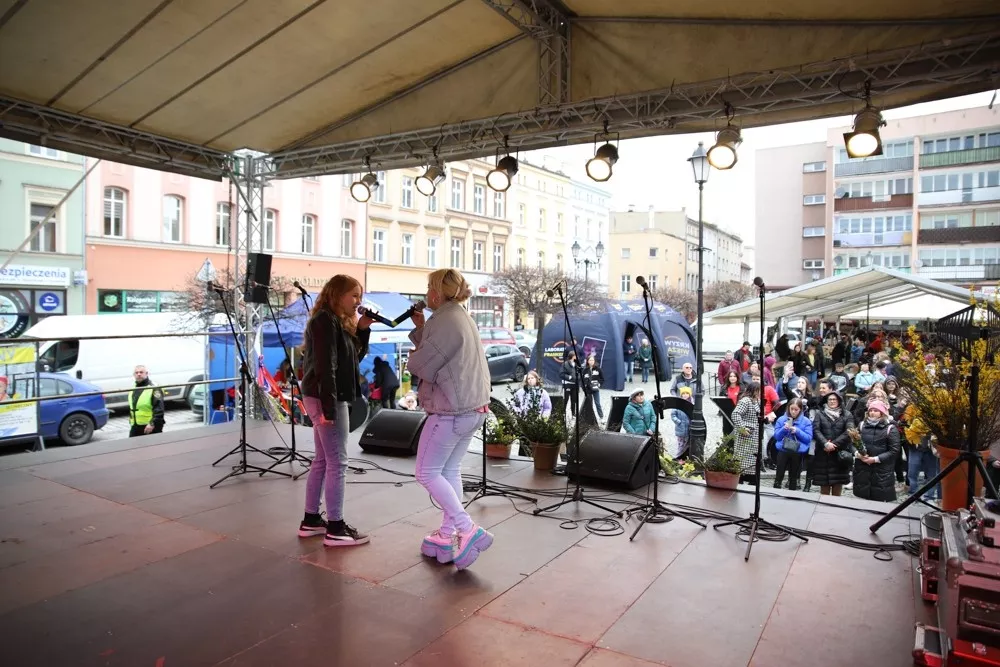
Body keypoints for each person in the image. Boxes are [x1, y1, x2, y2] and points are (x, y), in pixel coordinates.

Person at [408, 268, 493, 570]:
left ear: (436, 292)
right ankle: (446, 535)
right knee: (449, 470)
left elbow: (423, 364)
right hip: (473, 409)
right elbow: (442, 350)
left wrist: (412, 355)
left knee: (426, 472)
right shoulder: (460, 316)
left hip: (451, 410)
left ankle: (467, 529)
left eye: (428, 286)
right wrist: (421, 328)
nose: (426, 292)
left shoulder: (444, 320)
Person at [297, 275, 373, 547]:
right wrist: (329, 408)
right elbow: (325, 367)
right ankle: (336, 528)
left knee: (323, 460)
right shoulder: (325, 321)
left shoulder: (335, 322)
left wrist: (362, 330)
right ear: (337, 294)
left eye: (359, 296)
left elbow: (352, 361)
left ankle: (311, 520)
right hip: (326, 397)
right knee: (338, 462)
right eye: (354, 295)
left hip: (325, 396)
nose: (358, 301)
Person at [852, 400, 901, 502]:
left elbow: (894, 450)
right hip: (863, 469)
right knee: (862, 499)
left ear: (882, 413)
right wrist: (858, 454)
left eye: (875, 410)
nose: (872, 413)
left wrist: (875, 459)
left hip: (881, 471)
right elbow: (852, 443)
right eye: (871, 410)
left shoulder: (890, 428)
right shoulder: (862, 425)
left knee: (879, 500)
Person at [810, 392, 854, 496]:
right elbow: (816, 430)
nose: (832, 401)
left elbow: (849, 431)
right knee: (824, 487)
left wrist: (833, 445)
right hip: (823, 454)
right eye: (830, 399)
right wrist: (825, 443)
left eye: (834, 399)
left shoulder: (847, 414)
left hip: (839, 455)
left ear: (839, 401)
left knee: (837, 486)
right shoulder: (820, 414)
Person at [772, 398, 813, 491]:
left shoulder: (806, 421)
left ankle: (792, 493)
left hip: (797, 451)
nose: (793, 412)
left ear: (800, 410)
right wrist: (784, 429)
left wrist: (797, 431)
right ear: (788, 408)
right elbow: (777, 436)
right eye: (792, 409)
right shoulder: (782, 419)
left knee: (793, 477)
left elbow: (808, 438)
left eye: (796, 410)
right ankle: (776, 490)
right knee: (779, 475)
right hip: (783, 449)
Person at [128, 365, 165, 437]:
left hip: (150, 426)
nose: (139, 374)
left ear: (146, 373)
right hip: (136, 424)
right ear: (134, 375)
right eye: (136, 373)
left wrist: (152, 423)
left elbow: (159, 409)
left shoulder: (154, 388)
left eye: (141, 372)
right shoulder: (133, 388)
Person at [672, 386, 694, 458]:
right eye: (683, 393)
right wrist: (678, 422)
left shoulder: (692, 403)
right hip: (680, 429)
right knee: (681, 445)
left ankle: (684, 458)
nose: (685, 395)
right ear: (681, 395)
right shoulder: (678, 403)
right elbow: (673, 415)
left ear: (689, 394)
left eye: (687, 393)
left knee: (687, 445)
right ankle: (678, 458)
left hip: (689, 429)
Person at [583, 354, 605, 421]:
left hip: (595, 389)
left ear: (594, 361)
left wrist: (599, 384)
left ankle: (601, 417)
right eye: (590, 360)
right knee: (589, 404)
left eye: (593, 360)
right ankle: (589, 418)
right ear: (588, 361)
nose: (591, 361)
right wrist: (584, 388)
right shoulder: (585, 370)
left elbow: (602, 379)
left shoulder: (598, 369)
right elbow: (581, 380)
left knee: (597, 403)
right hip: (588, 389)